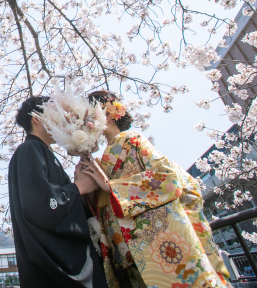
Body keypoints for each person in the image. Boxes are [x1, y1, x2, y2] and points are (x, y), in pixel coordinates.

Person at [78, 90, 232, 288]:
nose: (87, 122)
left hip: (153, 244)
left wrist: (111, 186)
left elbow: (167, 179)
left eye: (91, 114)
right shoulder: (100, 161)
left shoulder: (132, 140)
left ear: (108, 113)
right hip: (124, 252)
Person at [8, 95, 109, 288]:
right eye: (56, 113)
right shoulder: (29, 149)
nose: (63, 119)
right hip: (53, 270)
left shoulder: (40, 151)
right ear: (36, 119)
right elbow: (39, 205)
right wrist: (77, 188)